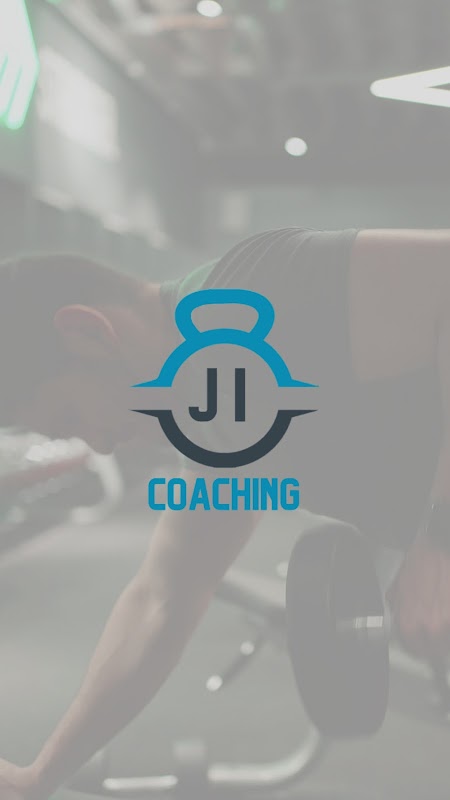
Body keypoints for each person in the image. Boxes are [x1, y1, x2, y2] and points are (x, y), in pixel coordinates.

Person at [1, 227, 450, 800]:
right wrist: (42, 775)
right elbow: (163, 599)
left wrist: (440, 532)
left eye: (71, 416)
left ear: (88, 332)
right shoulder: (217, 427)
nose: (100, 443)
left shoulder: (260, 294)